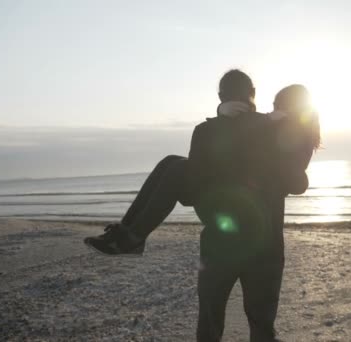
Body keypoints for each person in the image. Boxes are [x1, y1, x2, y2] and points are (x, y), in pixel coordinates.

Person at [84, 70, 320, 341]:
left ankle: (132, 237)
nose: (278, 113)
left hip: (237, 242)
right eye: (275, 107)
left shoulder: (277, 136)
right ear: (254, 93)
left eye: (282, 108)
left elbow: (293, 181)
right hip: (248, 244)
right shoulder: (250, 128)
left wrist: (250, 120)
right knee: (172, 164)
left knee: (246, 327)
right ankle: (130, 234)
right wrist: (247, 119)